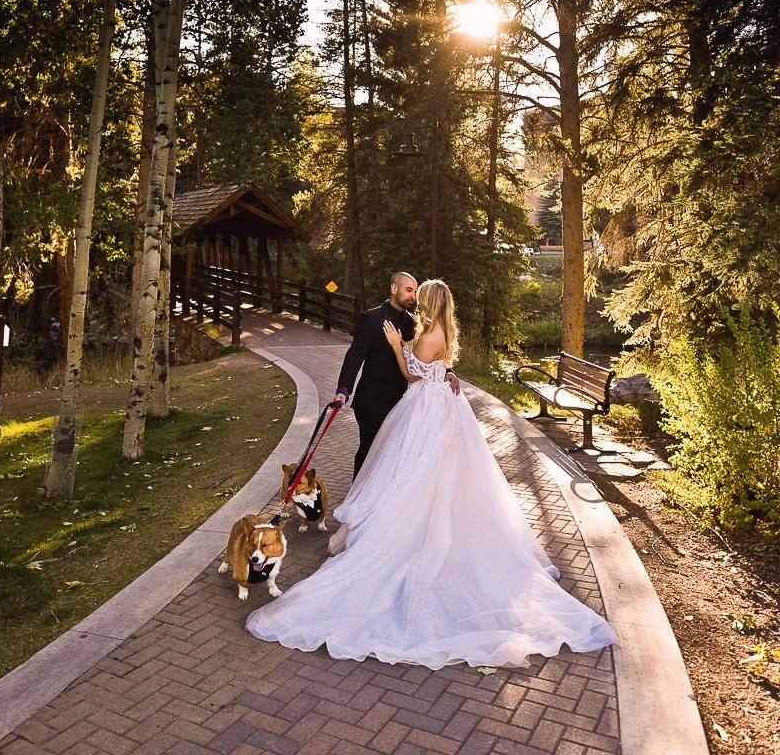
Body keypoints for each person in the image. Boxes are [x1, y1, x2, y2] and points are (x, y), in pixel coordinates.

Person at [246, 279, 616, 670]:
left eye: (420, 297)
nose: (415, 301)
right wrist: (440, 370)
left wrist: (395, 348)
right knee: (427, 474)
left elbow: (412, 375)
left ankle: (408, 530)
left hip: (426, 408)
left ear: (429, 303)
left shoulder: (425, 336)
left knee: (411, 474)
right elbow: (435, 365)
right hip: (441, 407)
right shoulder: (441, 330)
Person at [332, 271, 459, 480]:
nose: (413, 296)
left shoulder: (415, 323)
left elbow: (428, 357)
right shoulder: (371, 319)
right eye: (408, 290)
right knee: (369, 453)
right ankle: (358, 496)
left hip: (405, 403)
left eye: (415, 291)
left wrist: (448, 370)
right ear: (394, 289)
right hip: (373, 402)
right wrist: (343, 389)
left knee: (395, 458)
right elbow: (355, 355)